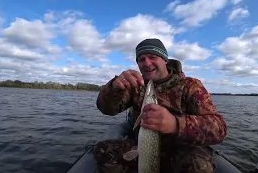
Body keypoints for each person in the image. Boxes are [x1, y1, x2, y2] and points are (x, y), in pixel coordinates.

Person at [93, 38, 227, 173]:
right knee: (103, 151)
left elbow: (219, 129)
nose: (147, 63)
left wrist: (175, 124)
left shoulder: (190, 85)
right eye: (141, 59)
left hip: (180, 151)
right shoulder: (136, 85)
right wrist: (113, 88)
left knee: (198, 164)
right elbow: (106, 109)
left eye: (153, 57)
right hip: (143, 148)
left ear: (165, 60)